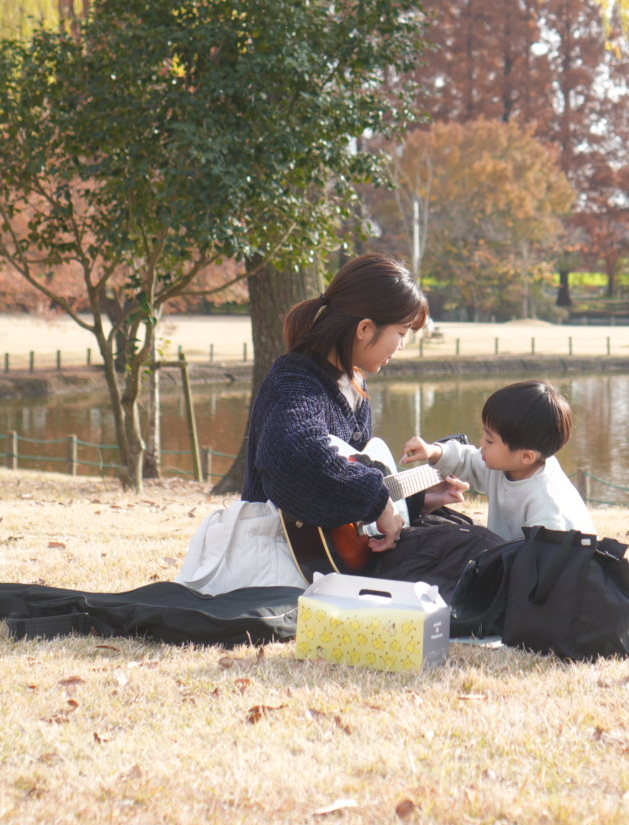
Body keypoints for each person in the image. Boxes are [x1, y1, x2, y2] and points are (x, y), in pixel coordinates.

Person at [176, 253, 489, 594]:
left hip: (335, 556)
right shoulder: (295, 380)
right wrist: (377, 499)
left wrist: (418, 500)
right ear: (365, 329)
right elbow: (292, 454)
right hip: (282, 553)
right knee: (466, 550)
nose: (401, 346)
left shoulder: (354, 385)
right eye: (401, 333)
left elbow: (352, 509)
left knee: (462, 534)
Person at [401, 380, 594, 542]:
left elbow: (548, 563)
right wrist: (433, 451)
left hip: (554, 569)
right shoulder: (509, 464)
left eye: (490, 440)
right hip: (513, 556)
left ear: (526, 456)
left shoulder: (546, 505)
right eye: (485, 434)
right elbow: (467, 460)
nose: (482, 443)